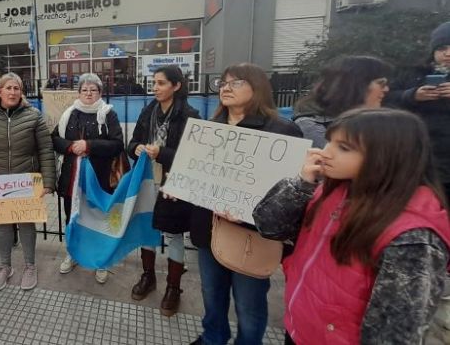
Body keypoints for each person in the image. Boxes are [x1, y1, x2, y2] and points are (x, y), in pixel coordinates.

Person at [254, 108, 450, 344]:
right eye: (329, 141)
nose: (325, 153)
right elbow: (269, 226)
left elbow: (396, 331)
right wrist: (300, 184)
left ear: (386, 156)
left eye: (344, 148)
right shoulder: (331, 189)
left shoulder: (413, 237)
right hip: (301, 326)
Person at [188, 63, 302, 345]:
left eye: (236, 82)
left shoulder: (282, 131)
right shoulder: (209, 129)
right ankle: (213, 337)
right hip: (210, 229)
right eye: (223, 83)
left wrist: (247, 214)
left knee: (249, 304)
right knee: (211, 294)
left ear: (258, 88)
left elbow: (293, 194)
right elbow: (195, 175)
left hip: (253, 236)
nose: (225, 88)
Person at [0, 72, 56, 291]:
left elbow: (46, 149)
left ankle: (29, 266)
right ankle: (5, 267)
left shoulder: (34, 115)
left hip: (26, 180)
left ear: (21, 92)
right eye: (8, 88)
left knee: (27, 224)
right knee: (2, 226)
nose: (13, 92)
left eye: (16, 88)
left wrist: (48, 182)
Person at [127, 65, 201, 317]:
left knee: (173, 234)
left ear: (176, 86)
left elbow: (193, 157)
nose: (155, 88)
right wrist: (135, 148)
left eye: (160, 83)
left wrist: (163, 154)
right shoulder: (148, 111)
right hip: (148, 178)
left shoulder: (190, 115)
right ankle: (148, 276)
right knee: (147, 228)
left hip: (173, 183)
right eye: (154, 83)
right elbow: (133, 141)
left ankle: (173, 287)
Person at [52, 73, 124, 284]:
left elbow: (117, 143)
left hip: (99, 179)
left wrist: (89, 146)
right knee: (72, 217)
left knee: (98, 218)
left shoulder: (108, 114)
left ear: (100, 93)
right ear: (79, 92)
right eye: (85, 90)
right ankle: (73, 253)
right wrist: (70, 146)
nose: (89, 94)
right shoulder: (69, 114)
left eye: (93, 90)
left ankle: (101, 261)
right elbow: (55, 138)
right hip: (72, 178)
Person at [388, 21, 450, 197]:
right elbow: (384, 99)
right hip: (419, 157)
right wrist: (412, 95)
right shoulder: (413, 74)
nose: (448, 54)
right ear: (433, 52)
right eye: (442, 48)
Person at [293, 56, 392, 147]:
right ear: (355, 86)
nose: (386, 89)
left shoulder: (379, 123)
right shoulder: (311, 127)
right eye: (381, 83)